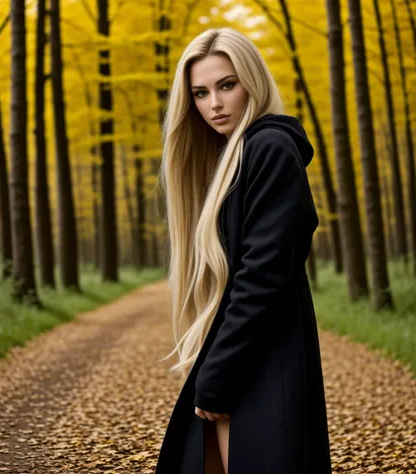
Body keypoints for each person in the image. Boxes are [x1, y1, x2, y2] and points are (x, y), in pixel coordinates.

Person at [154, 27, 332, 474]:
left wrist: (219, 374)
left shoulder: (269, 147)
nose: (213, 103)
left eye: (226, 85)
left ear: (250, 80)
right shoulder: (235, 156)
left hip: (262, 352)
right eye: (200, 92)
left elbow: (263, 275)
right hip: (249, 349)